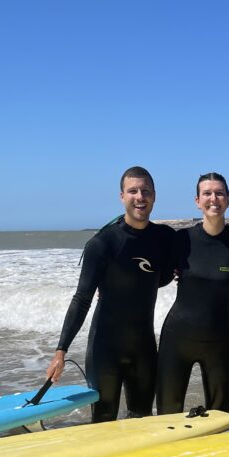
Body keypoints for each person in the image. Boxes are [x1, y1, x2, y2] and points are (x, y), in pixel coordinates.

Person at [46, 167, 175, 423]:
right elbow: (82, 298)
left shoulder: (165, 238)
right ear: (121, 196)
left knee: (142, 420)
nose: (140, 196)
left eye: (145, 191)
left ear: (155, 196)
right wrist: (61, 351)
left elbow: (198, 247)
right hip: (105, 350)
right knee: (103, 423)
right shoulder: (102, 243)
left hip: (143, 349)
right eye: (133, 191)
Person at [156, 173, 229, 414]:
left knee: (219, 417)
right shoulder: (181, 240)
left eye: (219, 193)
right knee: (167, 415)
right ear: (197, 200)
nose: (213, 199)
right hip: (177, 339)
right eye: (207, 193)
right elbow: (149, 271)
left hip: (219, 342)